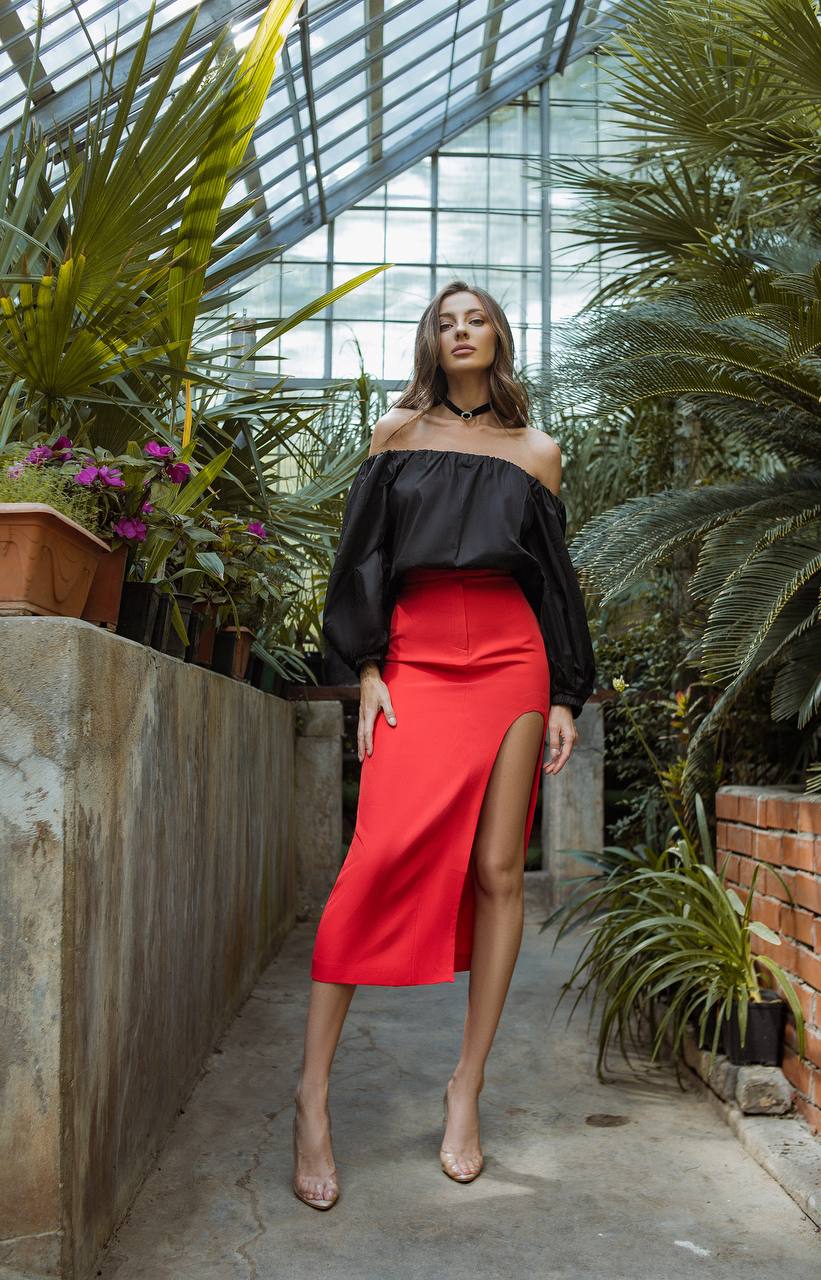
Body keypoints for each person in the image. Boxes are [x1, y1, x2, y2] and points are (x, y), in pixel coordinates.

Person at [291, 279, 596, 1210]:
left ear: (500, 340)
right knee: (374, 857)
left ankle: (465, 1088)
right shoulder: (394, 437)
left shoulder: (535, 453)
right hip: (416, 659)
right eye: (445, 322)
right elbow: (362, 557)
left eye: (477, 320)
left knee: (500, 871)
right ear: (431, 343)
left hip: (513, 660)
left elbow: (552, 585)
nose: (461, 333)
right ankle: (312, 1096)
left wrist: (565, 694)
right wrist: (369, 665)